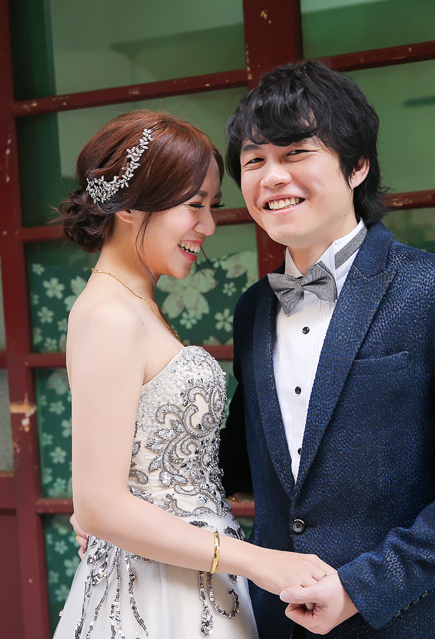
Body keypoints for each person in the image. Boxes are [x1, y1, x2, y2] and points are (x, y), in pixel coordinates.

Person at [218, 60, 435, 637]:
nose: (272, 177)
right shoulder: (253, 309)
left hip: (406, 621)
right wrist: (127, 503)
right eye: (254, 160)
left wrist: (361, 588)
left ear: (357, 165)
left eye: (296, 153)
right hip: (274, 621)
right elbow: (242, 463)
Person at [54, 110, 334, 639]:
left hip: (191, 573)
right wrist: (259, 561)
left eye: (212, 206)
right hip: (155, 592)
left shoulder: (135, 304)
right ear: (131, 206)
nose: (208, 226)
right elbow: (98, 506)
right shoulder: (108, 315)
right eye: (194, 206)